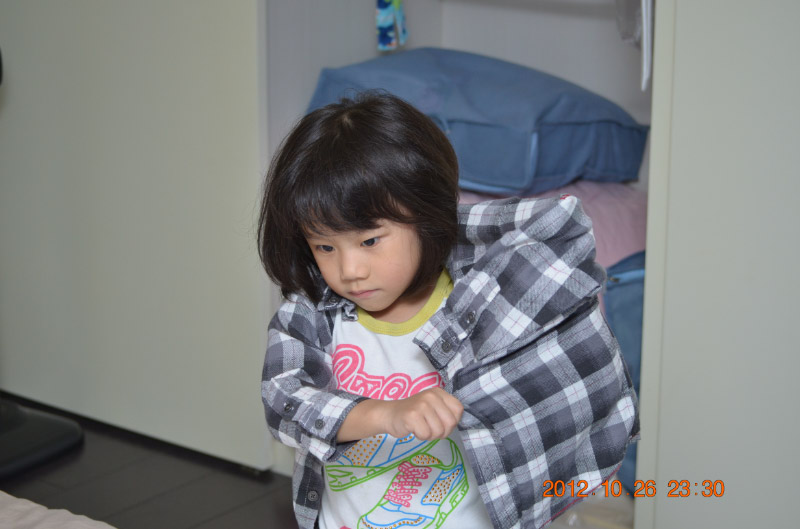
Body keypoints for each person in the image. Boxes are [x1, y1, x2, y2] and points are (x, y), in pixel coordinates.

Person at [257, 92, 639, 529]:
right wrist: (386, 415)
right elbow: (284, 400)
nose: (350, 270)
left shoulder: (480, 301)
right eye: (325, 246)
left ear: (425, 217)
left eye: (369, 241)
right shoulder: (310, 315)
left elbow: (557, 228)